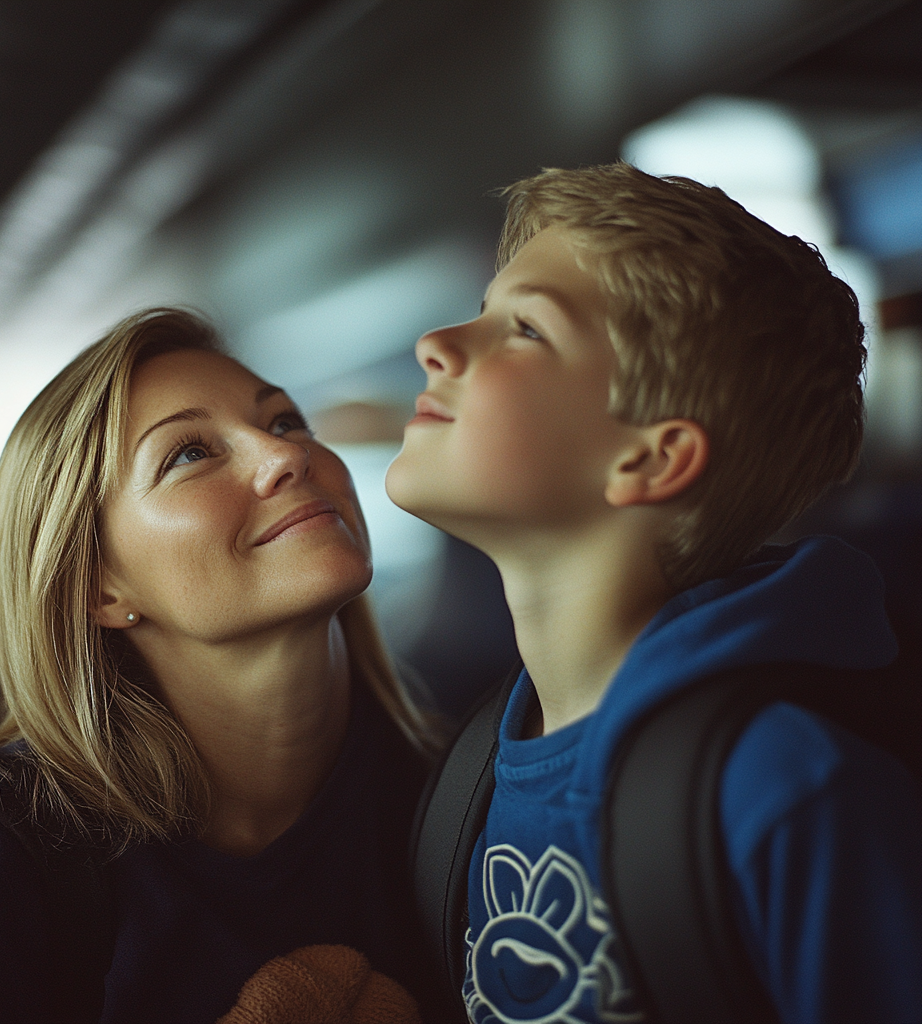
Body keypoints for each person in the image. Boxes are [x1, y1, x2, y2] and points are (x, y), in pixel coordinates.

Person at [385, 163, 922, 1024]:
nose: (436, 344)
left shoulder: (788, 791)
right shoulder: (472, 773)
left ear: (651, 459)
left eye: (523, 327)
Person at [0, 307, 447, 1024]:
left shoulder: (460, 793)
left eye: (284, 421)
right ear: (99, 587)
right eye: (189, 454)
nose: (286, 455)